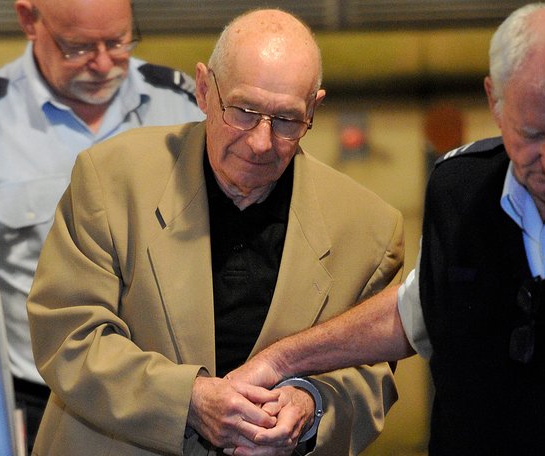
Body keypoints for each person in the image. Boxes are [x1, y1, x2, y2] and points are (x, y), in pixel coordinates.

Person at [227, 3, 545, 455]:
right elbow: (418, 308)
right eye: (531, 134)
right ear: (494, 100)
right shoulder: (461, 189)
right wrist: (281, 361)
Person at [26, 8, 405, 456]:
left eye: (286, 120)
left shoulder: (370, 230)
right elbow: (69, 335)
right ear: (204, 90)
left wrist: (312, 405)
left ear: (314, 109)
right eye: (243, 112)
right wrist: (188, 400)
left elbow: (370, 373)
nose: (261, 142)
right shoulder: (111, 180)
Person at [0, 0, 205, 451]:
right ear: (29, 21)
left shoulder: (185, 108)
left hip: (171, 399)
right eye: (77, 48)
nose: (101, 64)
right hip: (39, 402)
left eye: (118, 42)